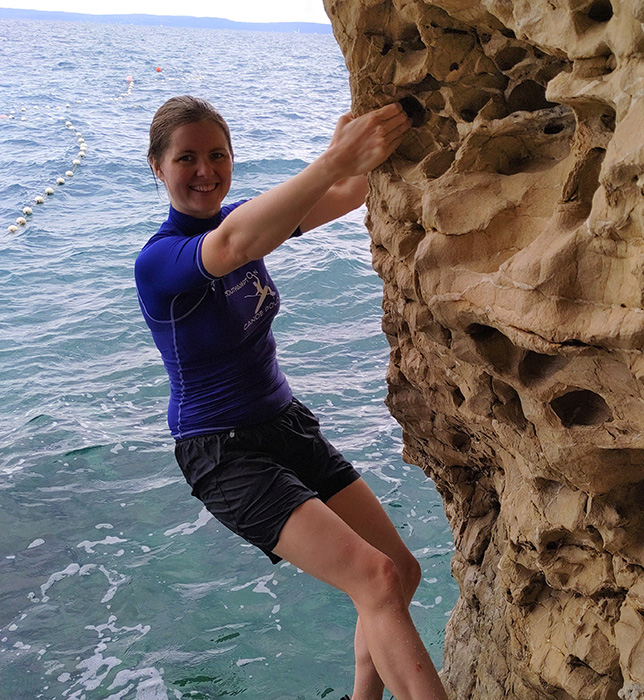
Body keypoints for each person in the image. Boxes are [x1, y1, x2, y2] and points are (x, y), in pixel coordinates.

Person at [134, 95, 449, 700]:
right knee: (376, 578)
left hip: (286, 425)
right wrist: (331, 160)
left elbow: (348, 193)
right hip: (223, 453)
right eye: (186, 158)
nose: (205, 170)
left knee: (398, 574)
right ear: (157, 167)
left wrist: (357, 143)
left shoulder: (249, 218)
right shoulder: (160, 261)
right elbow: (231, 248)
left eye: (217, 155)